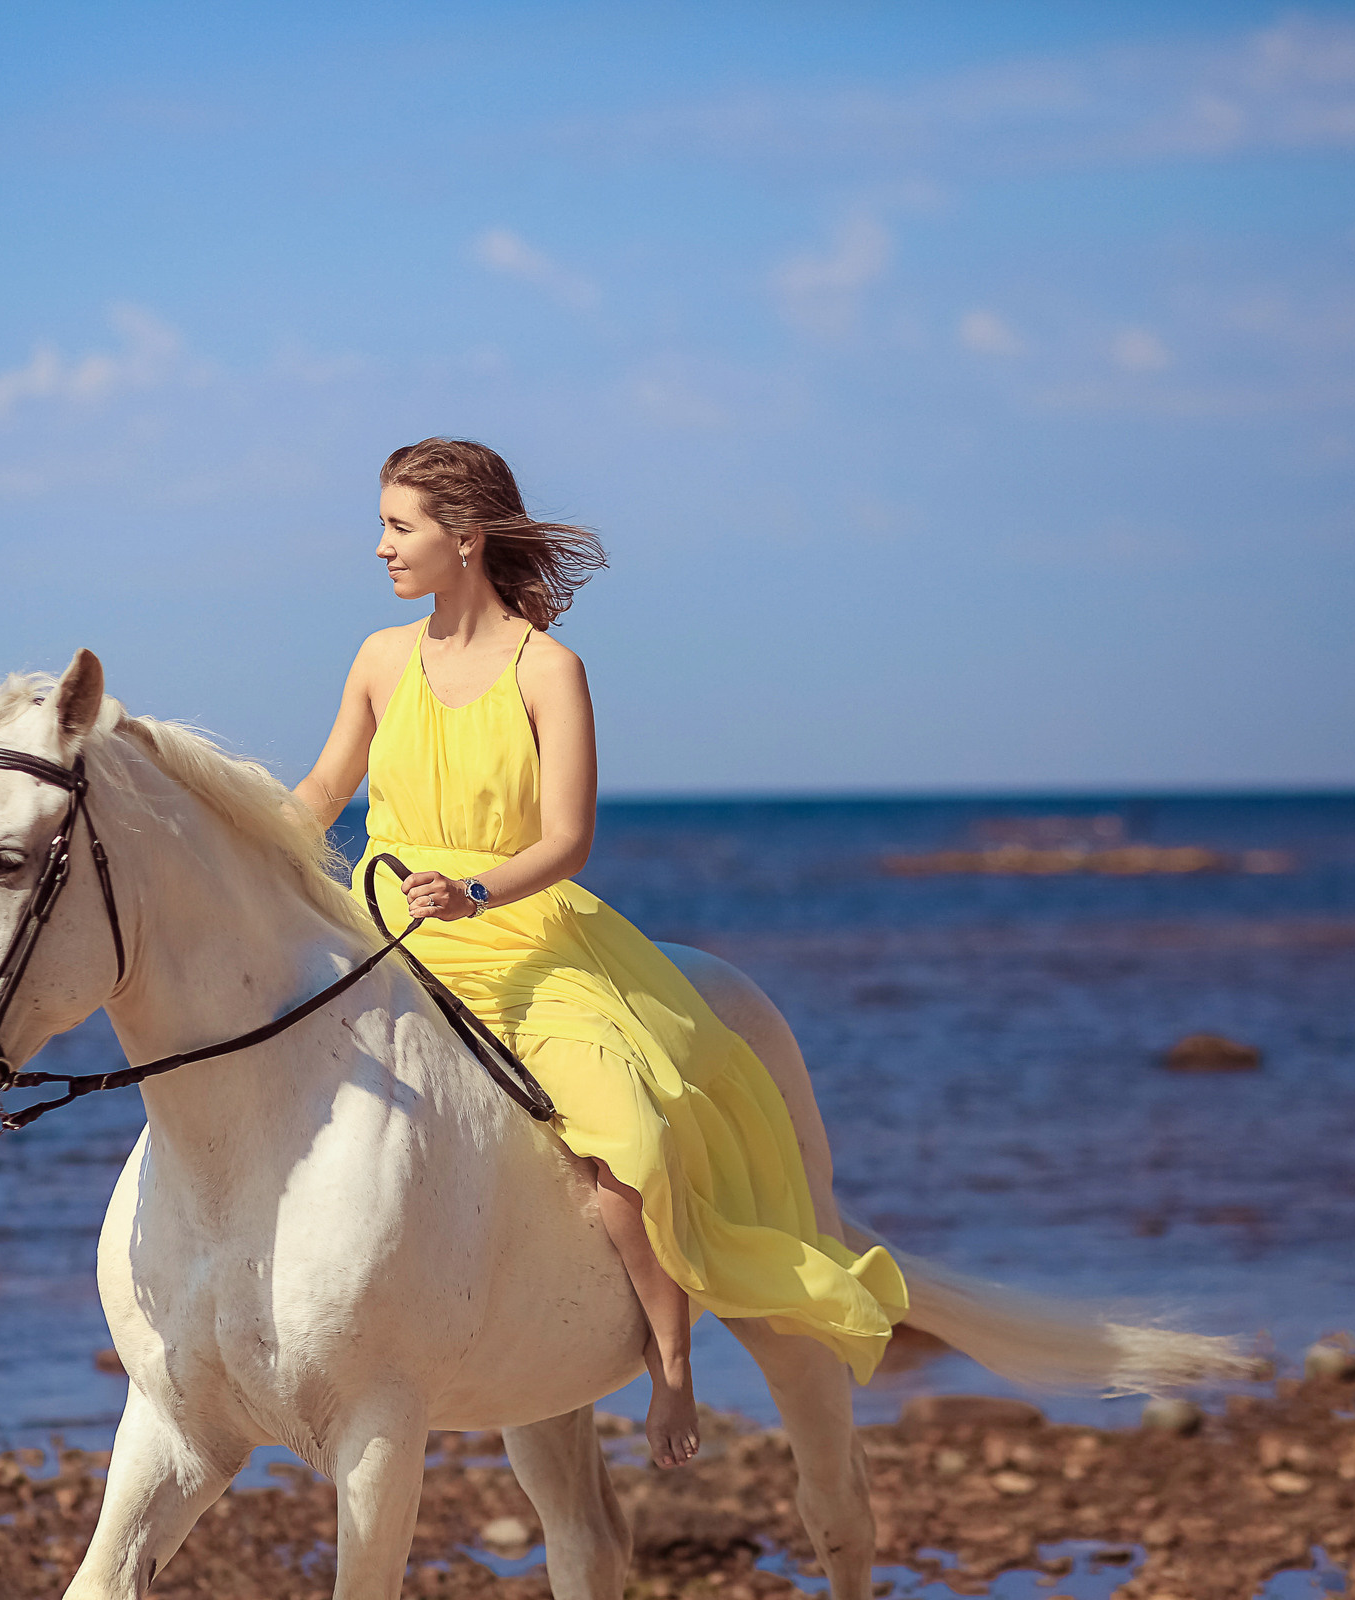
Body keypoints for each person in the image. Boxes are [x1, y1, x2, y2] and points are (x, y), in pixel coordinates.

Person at [295, 438, 908, 1470]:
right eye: (385, 524)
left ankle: (670, 1363)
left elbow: (567, 837)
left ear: (466, 537)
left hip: (514, 925)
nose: (381, 546)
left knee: (627, 1129)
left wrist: (474, 889)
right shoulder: (377, 658)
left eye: (399, 526)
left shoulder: (549, 669)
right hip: (384, 923)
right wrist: (233, 838)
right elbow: (319, 796)